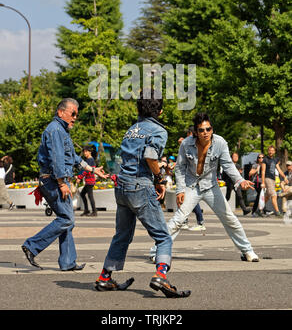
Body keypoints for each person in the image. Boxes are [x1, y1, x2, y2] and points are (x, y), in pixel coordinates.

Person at [94, 91, 190, 298]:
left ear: (138, 109)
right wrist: (160, 179)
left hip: (122, 185)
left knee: (122, 235)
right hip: (140, 185)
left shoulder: (131, 130)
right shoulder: (158, 130)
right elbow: (150, 156)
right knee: (163, 237)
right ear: (161, 111)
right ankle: (161, 275)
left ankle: (105, 277)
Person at [153, 112, 259, 262]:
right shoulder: (186, 144)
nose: (205, 133)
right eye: (202, 130)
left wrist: (240, 180)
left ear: (212, 129)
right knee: (178, 219)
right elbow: (180, 168)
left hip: (210, 186)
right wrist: (180, 190)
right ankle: (156, 251)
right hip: (191, 186)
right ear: (196, 132)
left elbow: (228, 165)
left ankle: (247, 251)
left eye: (208, 129)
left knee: (229, 218)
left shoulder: (220, 143)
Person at [21, 98, 106, 271]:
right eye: (72, 113)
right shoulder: (56, 130)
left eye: (77, 114)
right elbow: (57, 159)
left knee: (67, 221)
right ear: (61, 112)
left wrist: (92, 169)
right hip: (53, 181)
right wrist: (61, 183)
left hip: (56, 180)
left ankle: (67, 262)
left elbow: (73, 157)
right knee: (67, 219)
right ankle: (31, 246)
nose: (75, 117)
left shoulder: (61, 130)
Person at [76, 146, 108, 216]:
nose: (85, 153)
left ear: (89, 152)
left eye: (86, 151)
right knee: (83, 194)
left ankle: (94, 212)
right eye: (84, 151)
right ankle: (87, 210)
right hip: (88, 181)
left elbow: (87, 171)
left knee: (90, 196)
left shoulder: (90, 160)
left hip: (90, 181)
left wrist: (79, 178)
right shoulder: (88, 160)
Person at [261, 146, 288, 217]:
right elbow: (263, 171)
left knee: (267, 196)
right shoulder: (265, 160)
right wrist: (263, 182)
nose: (271, 152)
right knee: (274, 195)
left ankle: (259, 209)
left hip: (273, 179)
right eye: (269, 150)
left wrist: (284, 177)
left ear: (274, 152)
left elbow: (279, 169)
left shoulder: (275, 160)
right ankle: (277, 212)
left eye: (272, 150)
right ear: (268, 151)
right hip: (267, 178)